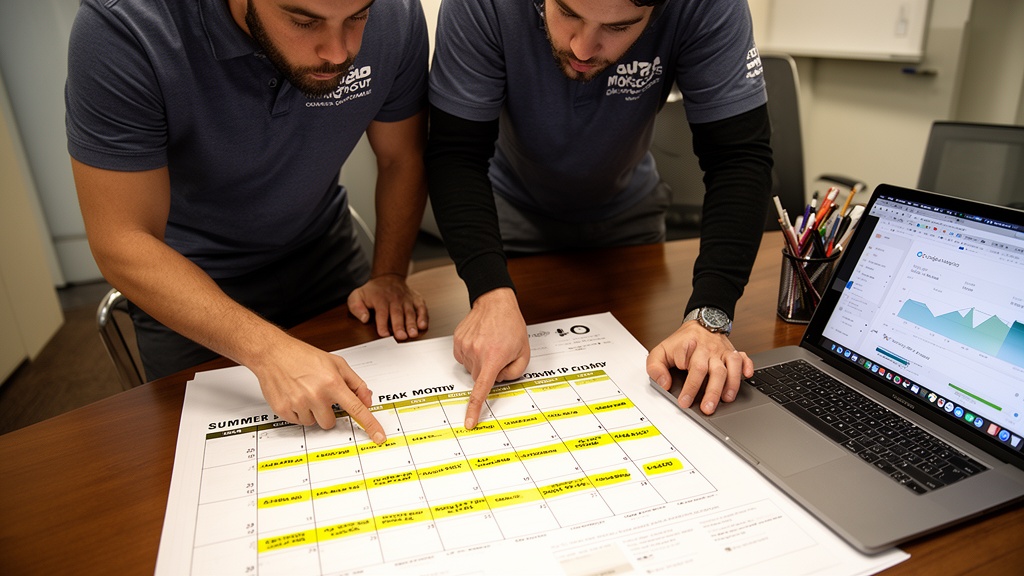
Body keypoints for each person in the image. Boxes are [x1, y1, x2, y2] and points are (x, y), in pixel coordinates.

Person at [66, 0, 433, 443]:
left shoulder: (394, 11)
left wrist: (390, 273)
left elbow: (402, 157)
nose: (338, 53)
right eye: (304, 22)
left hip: (323, 255)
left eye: (358, 18)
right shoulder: (124, 28)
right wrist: (268, 350)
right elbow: (121, 238)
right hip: (187, 284)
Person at [426, 0, 774, 429]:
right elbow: (456, 153)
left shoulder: (707, 7)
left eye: (620, 27)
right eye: (568, 13)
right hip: (508, 216)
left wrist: (710, 315)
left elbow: (738, 158)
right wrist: (488, 290)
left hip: (628, 216)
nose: (583, 48)